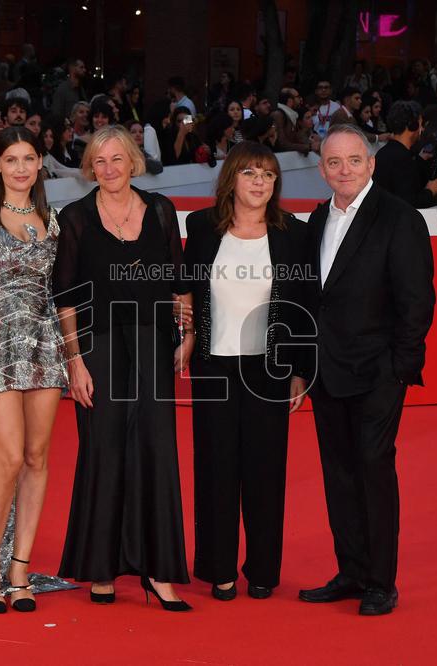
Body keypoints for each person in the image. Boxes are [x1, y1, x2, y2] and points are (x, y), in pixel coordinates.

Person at [52, 125, 194, 611]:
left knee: (157, 449)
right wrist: (75, 362)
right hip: (99, 347)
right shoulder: (74, 218)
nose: (109, 169)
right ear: (89, 168)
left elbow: (179, 278)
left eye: (117, 159)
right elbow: (66, 299)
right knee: (104, 448)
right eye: (99, 162)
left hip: (154, 342)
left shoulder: (160, 211)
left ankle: (160, 572)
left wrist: (188, 333)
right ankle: (101, 568)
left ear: (134, 161)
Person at [297, 124, 435, 616]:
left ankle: (381, 581)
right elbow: (312, 299)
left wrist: (401, 368)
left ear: (371, 164)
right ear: (321, 169)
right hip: (326, 372)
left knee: (373, 469)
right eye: (334, 162)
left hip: (378, 372)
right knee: (338, 473)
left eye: (354, 160)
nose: (344, 170)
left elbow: (417, 300)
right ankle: (351, 570)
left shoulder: (399, 219)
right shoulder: (316, 221)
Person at [183, 141, 310, 602]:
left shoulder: (292, 233)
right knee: (215, 469)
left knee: (265, 471)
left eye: (269, 175)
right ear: (231, 179)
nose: (260, 183)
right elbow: (185, 290)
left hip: (269, 369)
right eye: (251, 173)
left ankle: (261, 570)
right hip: (213, 367)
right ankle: (218, 569)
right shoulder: (200, 227)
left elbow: (302, 307)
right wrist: (188, 334)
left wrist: (299, 368)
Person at [0, 126, 68, 613]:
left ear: (40, 163)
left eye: (29, 158)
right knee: (8, 459)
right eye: (11, 159)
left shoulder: (56, 220)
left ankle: (20, 570)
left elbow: (63, 294)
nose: (21, 167)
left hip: (45, 349)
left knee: (38, 457)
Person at [372, 101, 437, 208]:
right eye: (420, 124)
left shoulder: (382, 153)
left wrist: (419, 159)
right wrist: (429, 191)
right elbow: (408, 203)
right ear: (412, 125)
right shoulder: (403, 159)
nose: (422, 129)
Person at [271, 88, 313, 154]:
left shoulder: (292, 115)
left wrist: (316, 145)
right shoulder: (279, 115)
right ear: (290, 100)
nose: (301, 99)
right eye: (298, 97)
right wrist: (308, 147)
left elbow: (298, 137)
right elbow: (282, 144)